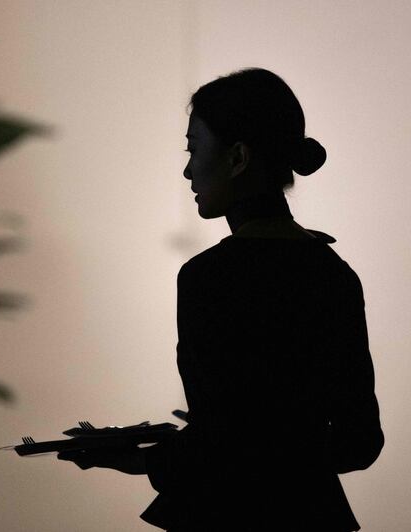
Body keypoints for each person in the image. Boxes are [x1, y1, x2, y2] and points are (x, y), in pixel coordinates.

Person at [59, 68, 384, 531]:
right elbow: (358, 444)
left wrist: (135, 456)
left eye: (194, 149)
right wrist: (274, 433)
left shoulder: (208, 278)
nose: (189, 169)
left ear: (236, 157)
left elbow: (225, 446)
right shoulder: (335, 275)